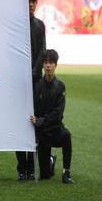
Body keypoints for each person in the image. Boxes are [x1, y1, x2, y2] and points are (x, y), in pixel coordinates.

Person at [16, 0, 46, 181]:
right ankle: (22, 167)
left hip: (35, 81)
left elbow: (42, 51)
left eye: (34, 1)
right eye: (28, 1)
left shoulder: (39, 26)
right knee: (18, 122)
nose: (31, 4)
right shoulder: (16, 26)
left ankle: (33, 166)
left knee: (34, 122)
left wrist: (34, 72)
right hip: (18, 81)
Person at [30, 50, 74, 184]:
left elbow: (58, 113)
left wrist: (41, 120)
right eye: (45, 63)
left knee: (66, 136)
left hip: (55, 130)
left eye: (51, 63)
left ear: (55, 65)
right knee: (45, 176)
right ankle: (50, 159)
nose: (48, 66)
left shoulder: (60, 86)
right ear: (43, 65)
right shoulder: (37, 86)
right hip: (42, 133)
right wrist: (35, 120)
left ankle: (66, 173)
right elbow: (34, 108)